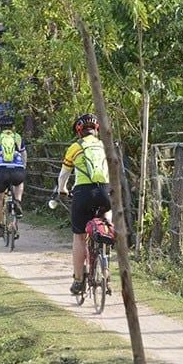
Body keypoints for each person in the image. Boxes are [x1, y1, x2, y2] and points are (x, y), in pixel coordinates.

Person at [56, 113, 112, 295]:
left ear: (79, 132)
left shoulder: (75, 147)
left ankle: (79, 280)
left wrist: (62, 190)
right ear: (96, 130)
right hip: (105, 192)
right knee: (106, 226)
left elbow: (63, 175)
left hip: (83, 193)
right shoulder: (106, 146)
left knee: (79, 237)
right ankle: (106, 272)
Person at [0, 115, 26, 238]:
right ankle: (18, 202)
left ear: (0, 127)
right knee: (19, 184)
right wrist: (23, 167)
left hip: (1, 170)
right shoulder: (18, 137)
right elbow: (24, 155)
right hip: (17, 170)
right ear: (13, 127)